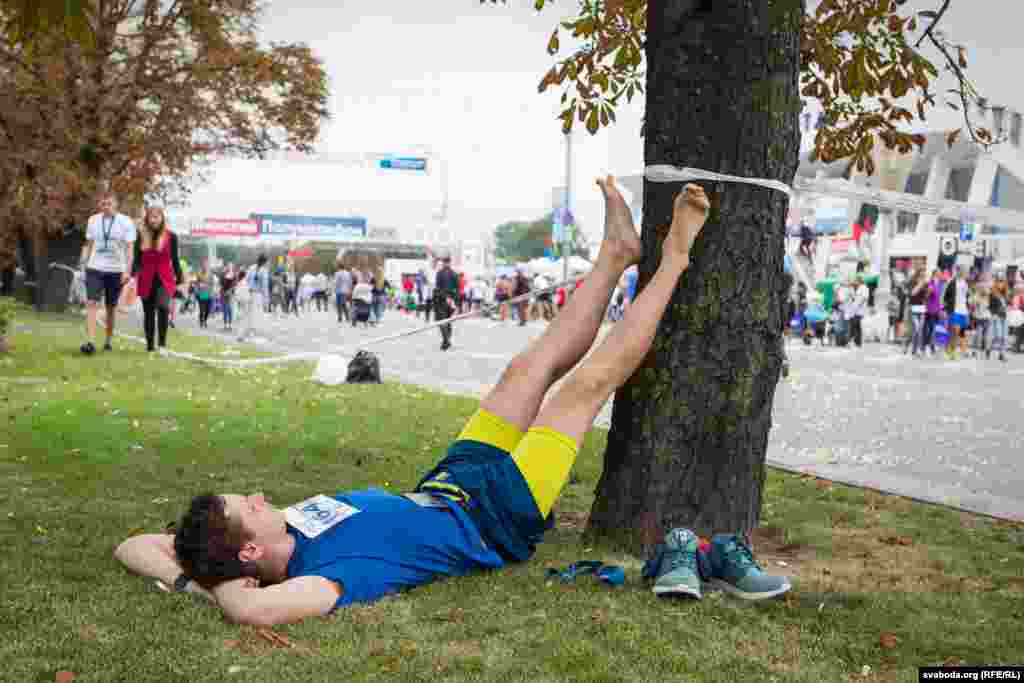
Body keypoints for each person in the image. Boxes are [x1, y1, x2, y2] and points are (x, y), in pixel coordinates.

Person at [113, 177, 787, 624]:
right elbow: (251, 612)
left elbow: (132, 544)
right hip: (496, 520)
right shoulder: (323, 577)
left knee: (527, 365)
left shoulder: (282, 530)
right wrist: (221, 590)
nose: (260, 496)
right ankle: (672, 258)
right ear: (252, 557)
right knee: (581, 390)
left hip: (447, 482)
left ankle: (615, 255)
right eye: (248, 508)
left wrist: (188, 576)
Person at [79, 192, 137, 354]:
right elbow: (89, 244)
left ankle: (108, 340)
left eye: (109, 204)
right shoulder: (93, 220)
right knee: (91, 302)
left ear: (116, 205)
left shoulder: (126, 222)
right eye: (103, 204)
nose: (106, 207)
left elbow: (130, 250)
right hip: (95, 267)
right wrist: (84, 264)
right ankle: (89, 342)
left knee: (111, 307)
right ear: (100, 205)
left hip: (116, 269)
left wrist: (127, 271)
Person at [132, 206, 183, 354]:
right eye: (151, 217)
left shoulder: (171, 236)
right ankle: (150, 346)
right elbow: (137, 259)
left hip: (164, 278)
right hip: (146, 277)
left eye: (157, 216)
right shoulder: (141, 235)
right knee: (148, 312)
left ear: (162, 218)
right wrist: (132, 274)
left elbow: (175, 260)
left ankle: (162, 345)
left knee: (163, 308)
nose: (154, 220)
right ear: (147, 219)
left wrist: (180, 280)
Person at [434, 256, 459, 351]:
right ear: (450, 262)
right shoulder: (454, 274)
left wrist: (445, 297)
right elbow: (457, 289)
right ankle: (447, 340)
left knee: (441, 320)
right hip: (451, 300)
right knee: (448, 321)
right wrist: (455, 301)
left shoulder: (440, 273)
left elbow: (438, 287)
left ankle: (446, 340)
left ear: (444, 263)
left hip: (442, 299)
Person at [943, 268, 969, 360]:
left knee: (958, 333)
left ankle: (950, 349)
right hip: (954, 310)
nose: (965, 273)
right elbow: (946, 297)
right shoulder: (952, 282)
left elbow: (966, 298)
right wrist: (945, 310)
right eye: (963, 272)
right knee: (955, 330)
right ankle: (950, 351)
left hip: (963, 311)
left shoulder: (966, 283)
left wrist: (967, 310)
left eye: (965, 272)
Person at [220, 264, 238, 332]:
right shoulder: (223, 275)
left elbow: (235, 285)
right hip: (223, 294)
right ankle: (225, 325)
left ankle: (230, 324)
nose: (229, 268)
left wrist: (230, 291)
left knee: (230, 309)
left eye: (231, 267)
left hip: (231, 294)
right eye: (228, 267)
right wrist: (224, 292)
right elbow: (221, 284)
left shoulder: (234, 275)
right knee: (225, 309)